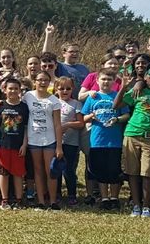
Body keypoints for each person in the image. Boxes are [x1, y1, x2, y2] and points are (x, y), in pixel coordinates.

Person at [115, 67, 150, 218]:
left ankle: (146, 206)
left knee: (148, 172)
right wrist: (124, 87)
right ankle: (136, 206)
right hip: (132, 134)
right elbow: (116, 105)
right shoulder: (138, 91)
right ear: (145, 77)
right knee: (132, 172)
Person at [81, 68, 127, 210]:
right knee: (100, 171)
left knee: (113, 170)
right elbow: (83, 117)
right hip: (97, 141)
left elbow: (126, 115)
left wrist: (117, 119)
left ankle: (114, 198)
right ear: (97, 81)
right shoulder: (93, 97)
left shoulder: (117, 96)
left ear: (114, 82)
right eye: (103, 79)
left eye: (109, 79)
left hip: (114, 141)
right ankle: (104, 198)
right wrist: (91, 117)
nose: (106, 82)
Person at [24, 72, 63, 209]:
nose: (42, 82)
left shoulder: (54, 101)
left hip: (49, 140)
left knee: (50, 171)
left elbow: (58, 124)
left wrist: (59, 146)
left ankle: (52, 201)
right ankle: (40, 201)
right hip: (33, 139)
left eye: (46, 80)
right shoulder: (28, 96)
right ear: (35, 81)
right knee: (38, 170)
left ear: (49, 82)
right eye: (40, 80)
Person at [0, 77, 29, 209]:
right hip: (3, 146)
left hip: (18, 147)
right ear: (4, 90)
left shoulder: (24, 107)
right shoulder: (0, 107)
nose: (13, 91)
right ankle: (4, 199)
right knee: (3, 173)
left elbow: (25, 128)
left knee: (18, 174)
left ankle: (18, 200)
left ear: (20, 91)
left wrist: (24, 145)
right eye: (10, 88)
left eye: (16, 89)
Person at [54, 76, 84, 205]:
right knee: (56, 169)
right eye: (61, 88)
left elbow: (81, 123)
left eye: (68, 88)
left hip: (70, 142)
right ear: (56, 89)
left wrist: (68, 125)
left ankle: (72, 194)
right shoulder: (53, 103)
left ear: (72, 89)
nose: (64, 91)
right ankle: (57, 194)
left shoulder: (76, 104)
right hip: (55, 142)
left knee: (69, 169)